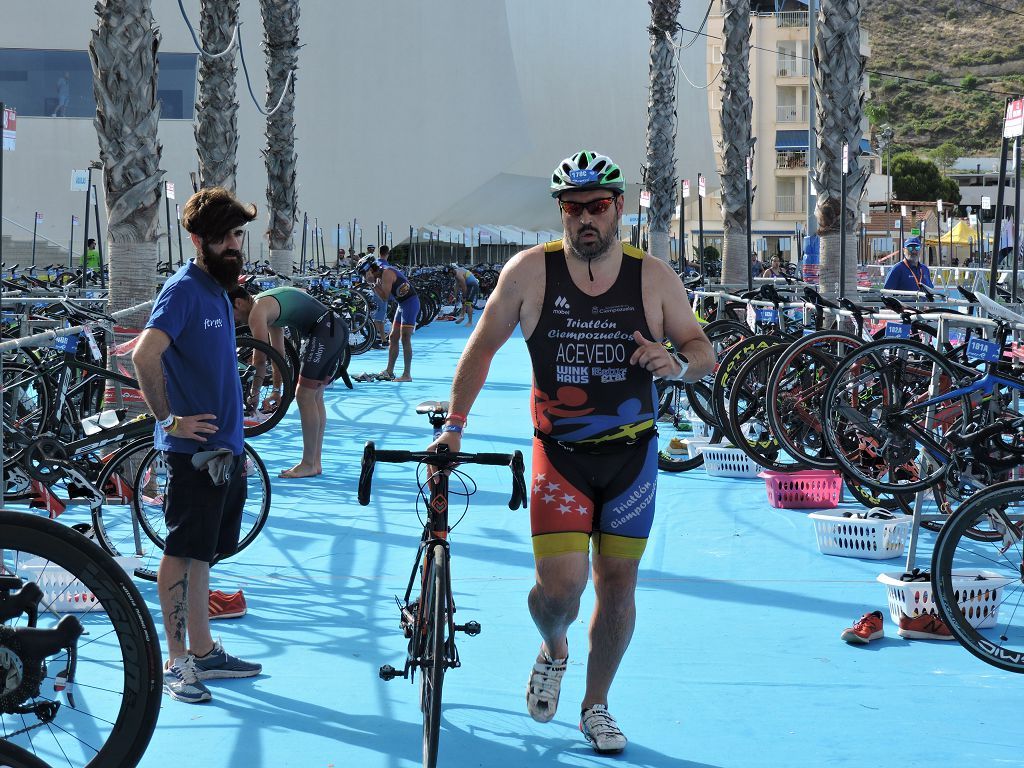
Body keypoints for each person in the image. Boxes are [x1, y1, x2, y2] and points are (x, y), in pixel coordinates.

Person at [429, 150, 714, 754]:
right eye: (573, 208)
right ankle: (554, 646)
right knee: (559, 590)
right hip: (559, 454)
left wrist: (678, 364)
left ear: (619, 209)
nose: (586, 218)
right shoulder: (530, 273)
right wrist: (455, 425)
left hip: (632, 457)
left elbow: (701, 350)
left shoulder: (654, 277)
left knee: (617, 585)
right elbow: (480, 350)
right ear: (561, 211)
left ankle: (596, 704)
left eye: (598, 206)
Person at [132, 186, 262, 704]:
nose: (234, 245)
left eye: (237, 235)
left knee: (203, 553)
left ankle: (204, 650)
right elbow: (146, 355)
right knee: (182, 551)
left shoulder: (218, 290)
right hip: (192, 456)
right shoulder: (184, 289)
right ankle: (177, 657)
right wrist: (168, 419)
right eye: (224, 237)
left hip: (224, 451)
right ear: (197, 241)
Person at [228, 285, 351, 478]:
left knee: (304, 395)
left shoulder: (257, 311)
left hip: (325, 331)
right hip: (333, 329)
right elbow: (277, 354)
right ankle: (314, 462)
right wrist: (277, 390)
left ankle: (308, 463)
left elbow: (259, 358)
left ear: (238, 302)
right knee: (315, 396)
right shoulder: (267, 306)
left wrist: (254, 396)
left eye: (231, 313)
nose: (234, 320)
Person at [357, 252, 419, 382]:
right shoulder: (379, 274)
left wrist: (371, 284)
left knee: (405, 338)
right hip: (402, 304)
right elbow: (385, 296)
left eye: (364, 273)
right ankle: (389, 371)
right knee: (393, 337)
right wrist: (373, 283)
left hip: (410, 303)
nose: (364, 277)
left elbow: (385, 298)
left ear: (370, 270)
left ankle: (407, 375)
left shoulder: (386, 274)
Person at [364, 244, 387, 348]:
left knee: (380, 317)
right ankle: (372, 340)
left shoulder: (375, 262)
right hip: (381, 292)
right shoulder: (385, 264)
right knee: (379, 317)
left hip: (375, 290)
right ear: (387, 253)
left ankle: (383, 339)